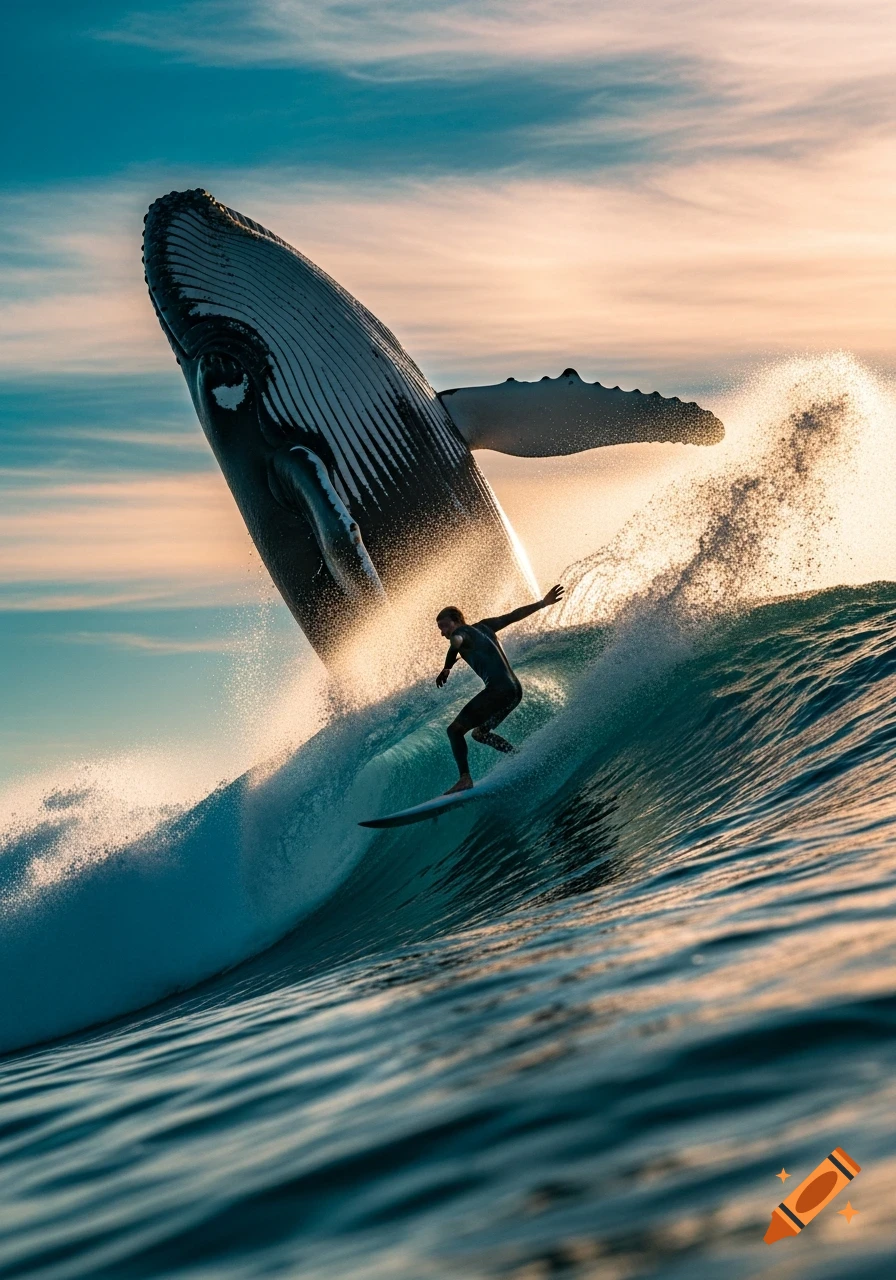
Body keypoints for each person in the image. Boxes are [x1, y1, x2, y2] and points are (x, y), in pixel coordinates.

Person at [436, 585, 565, 793]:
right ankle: (518, 757)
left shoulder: (459, 633)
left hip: (498, 691)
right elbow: (513, 616)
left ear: (457, 620)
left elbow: (456, 642)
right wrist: (542, 603)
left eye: (444, 626)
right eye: (440, 629)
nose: (443, 633)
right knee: (480, 733)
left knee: (454, 731)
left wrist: (447, 667)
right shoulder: (485, 626)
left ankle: (465, 779)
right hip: (514, 691)